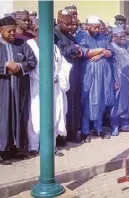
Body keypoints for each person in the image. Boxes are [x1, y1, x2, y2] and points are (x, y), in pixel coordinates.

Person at [27, 22, 72, 157]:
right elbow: (29, 66)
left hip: (54, 86)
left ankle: (51, 146)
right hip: (37, 86)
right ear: (35, 31)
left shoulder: (54, 47)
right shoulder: (29, 45)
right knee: (36, 115)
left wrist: (58, 77)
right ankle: (33, 146)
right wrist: (44, 78)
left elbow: (64, 65)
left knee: (54, 115)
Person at [0, 16, 37, 165]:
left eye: (14, 30)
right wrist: (5, 66)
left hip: (20, 89)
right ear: (1, 31)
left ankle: (16, 148)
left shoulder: (22, 44)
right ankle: (2, 151)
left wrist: (20, 67)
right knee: (3, 118)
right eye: (9, 31)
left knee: (19, 116)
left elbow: (32, 61)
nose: (13, 34)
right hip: (3, 89)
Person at [75, 16, 115, 143]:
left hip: (103, 76)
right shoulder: (81, 37)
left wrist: (103, 53)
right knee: (88, 102)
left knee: (101, 101)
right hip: (89, 76)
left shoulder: (103, 37)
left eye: (98, 27)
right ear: (87, 26)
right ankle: (85, 132)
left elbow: (111, 52)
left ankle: (99, 129)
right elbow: (85, 52)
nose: (97, 30)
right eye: (95, 27)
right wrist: (102, 50)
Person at [54, 9, 83, 143]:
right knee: (64, 105)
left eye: (72, 24)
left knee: (75, 103)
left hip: (74, 72)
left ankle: (73, 132)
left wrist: (78, 51)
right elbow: (56, 53)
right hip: (63, 74)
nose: (71, 27)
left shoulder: (70, 35)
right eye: (68, 24)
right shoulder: (55, 34)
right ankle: (61, 135)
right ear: (60, 22)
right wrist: (71, 49)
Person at [109, 27, 129, 135]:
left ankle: (125, 125)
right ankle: (115, 125)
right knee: (117, 102)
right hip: (118, 79)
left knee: (128, 100)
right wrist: (113, 80)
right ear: (114, 38)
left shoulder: (126, 46)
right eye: (121, 37)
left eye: (124, 36)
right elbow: (109, 67)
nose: (123, 39)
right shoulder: (110, 48)